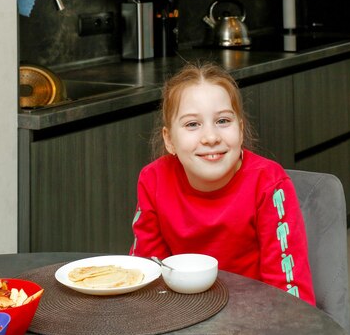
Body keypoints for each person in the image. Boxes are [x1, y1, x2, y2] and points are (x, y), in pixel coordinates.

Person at [129, 61, 315, 306]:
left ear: (240, 129)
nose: (211, 137)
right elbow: (147, 272)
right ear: (169, 140)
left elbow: (288, 291)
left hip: (257, 317)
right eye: (192, 124)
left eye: (223, 121)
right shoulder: (153, 180)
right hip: (182, 315)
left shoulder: (268, 184)